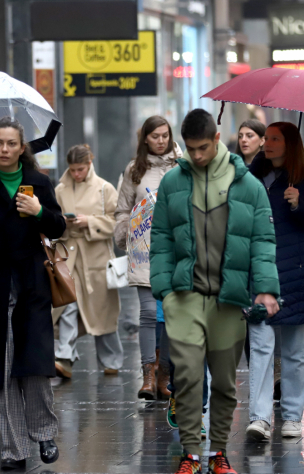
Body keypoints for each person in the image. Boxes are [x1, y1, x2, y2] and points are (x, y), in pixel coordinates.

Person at [151, 109, 280, 474]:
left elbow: (263, 240)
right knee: (189, 377)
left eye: (203, 147)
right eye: (190, 149)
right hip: (185, 296)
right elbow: (160, 236)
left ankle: (218, 453)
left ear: (218, 136)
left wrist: (266, 289)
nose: (197, 156)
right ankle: (191, 453)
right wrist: (164, 288)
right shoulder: (173, 182)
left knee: (224, 382)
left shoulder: (247, 185)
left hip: (229, 299)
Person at [0, 117, 64, 471]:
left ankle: (44, 432)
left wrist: (38, 213)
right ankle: (13, 447)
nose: (4, 149)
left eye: (11, 143)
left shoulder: (38, 182)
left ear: (22, 148)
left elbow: (58, 225)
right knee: (1, 368)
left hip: (31, 281)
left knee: (34, 363)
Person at [246, 122, 304, 443]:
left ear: (290, 143)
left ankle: (292, 416)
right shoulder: (251, 176)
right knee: (261, 346)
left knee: (294, 351)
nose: (267, 143)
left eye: (275, 139)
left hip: (296, 272)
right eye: (266, 138)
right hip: (259, 271)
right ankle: (260, 418)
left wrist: (298, 204)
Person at [114, 116, 182, 399]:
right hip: (143, 250)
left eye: (165, 135)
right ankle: (147, 373)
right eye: (155, 136)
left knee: (167, 315)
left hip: (174, 251)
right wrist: (125, 231)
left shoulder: (182, 166)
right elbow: (121, 209)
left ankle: (164, 372)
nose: (161, 140)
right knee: (146, 314)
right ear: (145, 138)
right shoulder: (134, 170)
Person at [53, 144, 123, 377]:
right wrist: (64, 222)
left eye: (80, 169)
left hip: (96, 258)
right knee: (67, 307)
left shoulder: (105, 188)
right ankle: (64, 358)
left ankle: (111, 360)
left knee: (101, 312)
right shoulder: (60, 189)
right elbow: (53, 222)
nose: (76, 174)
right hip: (68, 257)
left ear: (89, 163)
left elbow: (117, 222)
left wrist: (90, 222)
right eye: (72, 169)